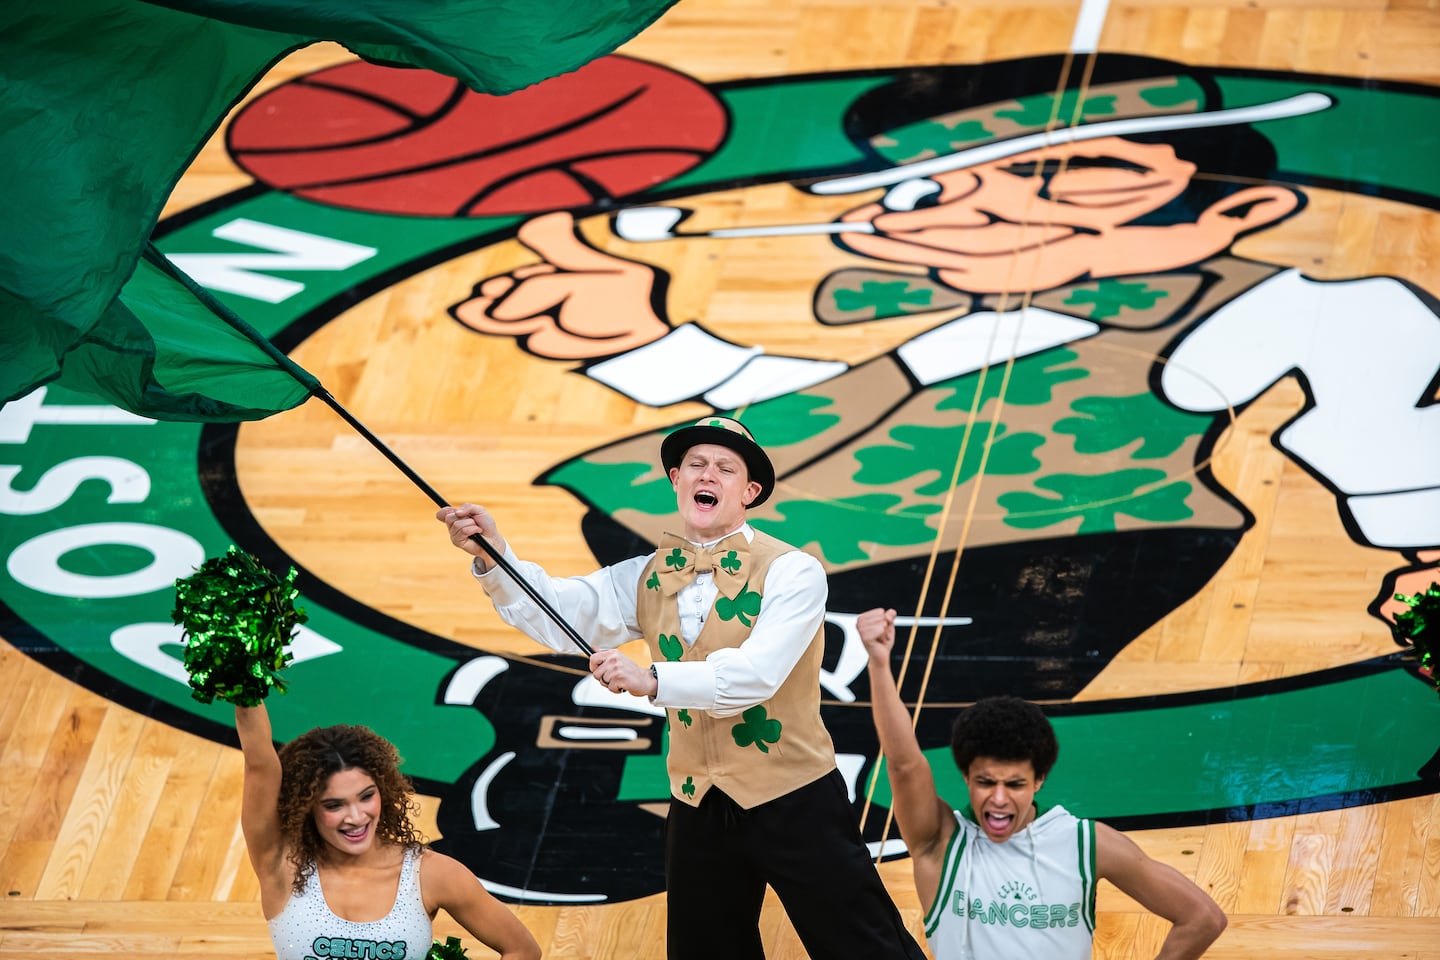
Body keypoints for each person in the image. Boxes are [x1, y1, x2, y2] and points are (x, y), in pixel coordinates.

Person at [437, 415, 926, 960]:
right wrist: (493, 554)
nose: (706, 474)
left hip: (793, 794)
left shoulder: (794, 571)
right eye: (694, 464)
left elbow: (757, 675)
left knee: (864, 945)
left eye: (724, 467)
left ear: (750, 491)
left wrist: (652, 680)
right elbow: (557, 611)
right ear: (675, 479)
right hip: (697, 798)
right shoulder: (647, 574)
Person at [857, 606, 1228, 959]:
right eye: (986, 782)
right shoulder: (939, 843)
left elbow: (1202, 918)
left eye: (1015, 784)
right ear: (966, 776)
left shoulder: (1087, 845)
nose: (999, 799)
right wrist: (879, 662)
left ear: (1039, 781)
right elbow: (904, 764)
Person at [236, 700, 541, 960]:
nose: (356, 817)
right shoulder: (281, 864)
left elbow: (522, 950)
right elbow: (259, 764)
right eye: (334, 805)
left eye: (367, 796)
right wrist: (245, 682)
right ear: (306, 807)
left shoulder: (432, 875)